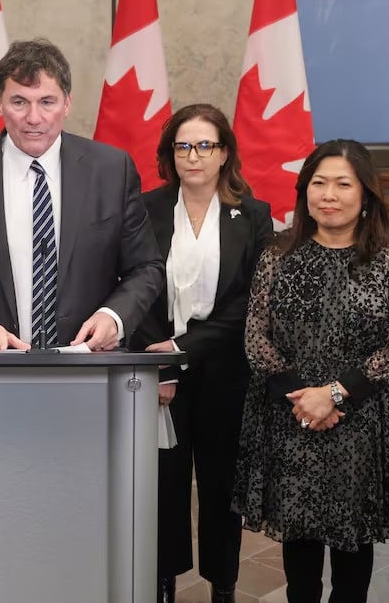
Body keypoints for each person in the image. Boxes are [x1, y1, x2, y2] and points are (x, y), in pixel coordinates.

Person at [231, 139, 389, 603]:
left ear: (365, 194)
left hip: (362, 416)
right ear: (305, 191)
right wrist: (304, 397)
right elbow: (256, 334)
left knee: (352, 544)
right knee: (300, 541)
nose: (329, 194)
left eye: (342, 184)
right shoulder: (279, 252)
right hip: (292, 413)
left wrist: (333, 395)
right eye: (319, 183)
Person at [0, 38, 164, 352]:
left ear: (67, 103)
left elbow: (145, 267)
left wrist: (114, 316)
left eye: (47, 102)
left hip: (89, 365)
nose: (33, 118)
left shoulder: (112, 170)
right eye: (19, 102)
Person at [131, 104, 272, 603]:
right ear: (171, 154)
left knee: (221, 485)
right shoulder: (145, 208)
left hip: (225, 373)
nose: (193, 156)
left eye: (205, 145)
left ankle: (223, 583)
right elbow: (136, 287)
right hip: (159, 373)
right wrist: (164, 363)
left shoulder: (252, 214)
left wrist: (183, 347)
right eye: (183, 146)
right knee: (163, 484)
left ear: (224, 152)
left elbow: (251, 302)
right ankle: (163, 580)